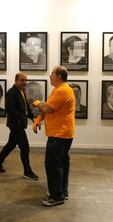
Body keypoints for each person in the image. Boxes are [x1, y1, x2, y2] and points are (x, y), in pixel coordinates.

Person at [32, 66, 75, 207]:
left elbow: (46, 108)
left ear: (58, 76)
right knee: (62, 164)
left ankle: (57, 196)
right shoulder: (58, 90)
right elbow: (49, 109)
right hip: (63, 134)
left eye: (52, 74)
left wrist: (37, 102)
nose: (49, 76)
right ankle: (62, 191)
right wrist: (38, 120)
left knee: (53, 165)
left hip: (59, 135)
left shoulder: (62, 90)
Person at [0, 72, 38, 180]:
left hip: (19, 123)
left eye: (26, 80)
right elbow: (10, 110)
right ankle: (27, 171)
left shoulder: (22, 91)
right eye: (22, 80)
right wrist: (23, 116)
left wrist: (32, 117)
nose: (24, 82)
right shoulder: (11, 93)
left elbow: (26, 108)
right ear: (16, 81)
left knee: (11, 144)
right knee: (25, 148)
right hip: (16, 125)